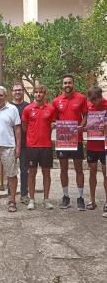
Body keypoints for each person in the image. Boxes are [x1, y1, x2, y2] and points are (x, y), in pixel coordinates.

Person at [52, 74, 87, 210]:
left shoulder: (81, 98)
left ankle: (80, 198)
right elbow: (54, 119)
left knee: (79, 169)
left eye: (69, 83)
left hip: (76, 139)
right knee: (63, 169)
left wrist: (82, 125)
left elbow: (86, 116)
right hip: (63, 140)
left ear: (73, 84)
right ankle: (65, 197)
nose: (67, 85)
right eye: (65, 83)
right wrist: (54, 124)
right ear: (62, 85)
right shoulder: (56, 101)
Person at [21, 85, 55, 210]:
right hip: (32, 146)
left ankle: (46, 199)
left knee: (46, 173)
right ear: (33, 94)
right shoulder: (28, 109)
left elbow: (52, 123)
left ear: (44, 94)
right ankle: (32, 200)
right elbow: (24, 127)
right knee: (32, 173)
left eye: (41, 92)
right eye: (36, 92)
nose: (38, 94)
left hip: (46, 146)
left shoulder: (50, 109)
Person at [85, 86, 107, 216]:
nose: (94, 102)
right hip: (92, 145)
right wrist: (83, 127)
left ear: (100, 97)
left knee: (106, 174)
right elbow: (85, 121)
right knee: (92, 172)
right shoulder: (88, 106)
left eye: (96, 100)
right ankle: (92, 201)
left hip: (105, 145)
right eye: (91, 100)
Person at [10, 82, 30, 204]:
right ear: (12, 92)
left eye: (20, 90)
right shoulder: (8, 107)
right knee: (10, 171)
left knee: (24, 170)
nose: (17, 92)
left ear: (23, 91)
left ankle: (24, 194)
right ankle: (10, 195)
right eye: (15, 90)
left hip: (25, 143)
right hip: (10, 143)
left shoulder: (28, 106)